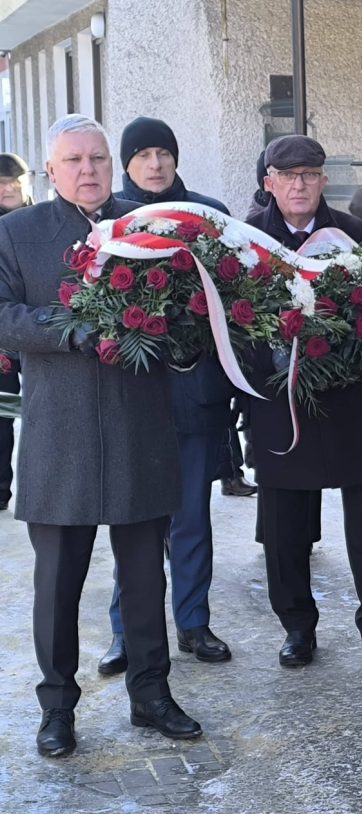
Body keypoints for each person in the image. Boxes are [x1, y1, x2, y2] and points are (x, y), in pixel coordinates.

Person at [0, 114, 203, 757]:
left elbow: (184, 311)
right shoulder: (16, 232)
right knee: (58, 584)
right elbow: (4, 316)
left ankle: (152, 695)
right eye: (73, 161)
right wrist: (75, 326)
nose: (87, 170)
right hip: (59, 437)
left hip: (138, 426)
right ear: (52, 170)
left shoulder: (146, 227)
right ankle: (57, 707)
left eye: (96, 159)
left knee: (146, 578)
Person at [246, 134, 362, 668]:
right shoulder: (244, 243)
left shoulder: (359, 235)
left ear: (324, 180)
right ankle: (297, 627)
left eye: (310, 174)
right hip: (280, 404)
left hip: (353, 401)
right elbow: (230, 327)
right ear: (269, 181)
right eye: (288, 175)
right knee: (286, 526)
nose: (299, 184)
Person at [98, 116, 236, 676]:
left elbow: (238, 294)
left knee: (191, 518)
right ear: (126, 163)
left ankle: (193, 622)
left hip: (195, 391)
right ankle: (126, 632)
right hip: (128, 399)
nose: (154, 163)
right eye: (143, 154)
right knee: (134, 526)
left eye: (163, 152)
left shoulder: (207, 215)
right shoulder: (107, 221)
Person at [0, 151, 33, 513]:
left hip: (39, 330)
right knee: (1, 413)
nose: (8, 189)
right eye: (1, 183)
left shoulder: (40, 221)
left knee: (48, 409)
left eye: (14, 181)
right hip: (2, 335)